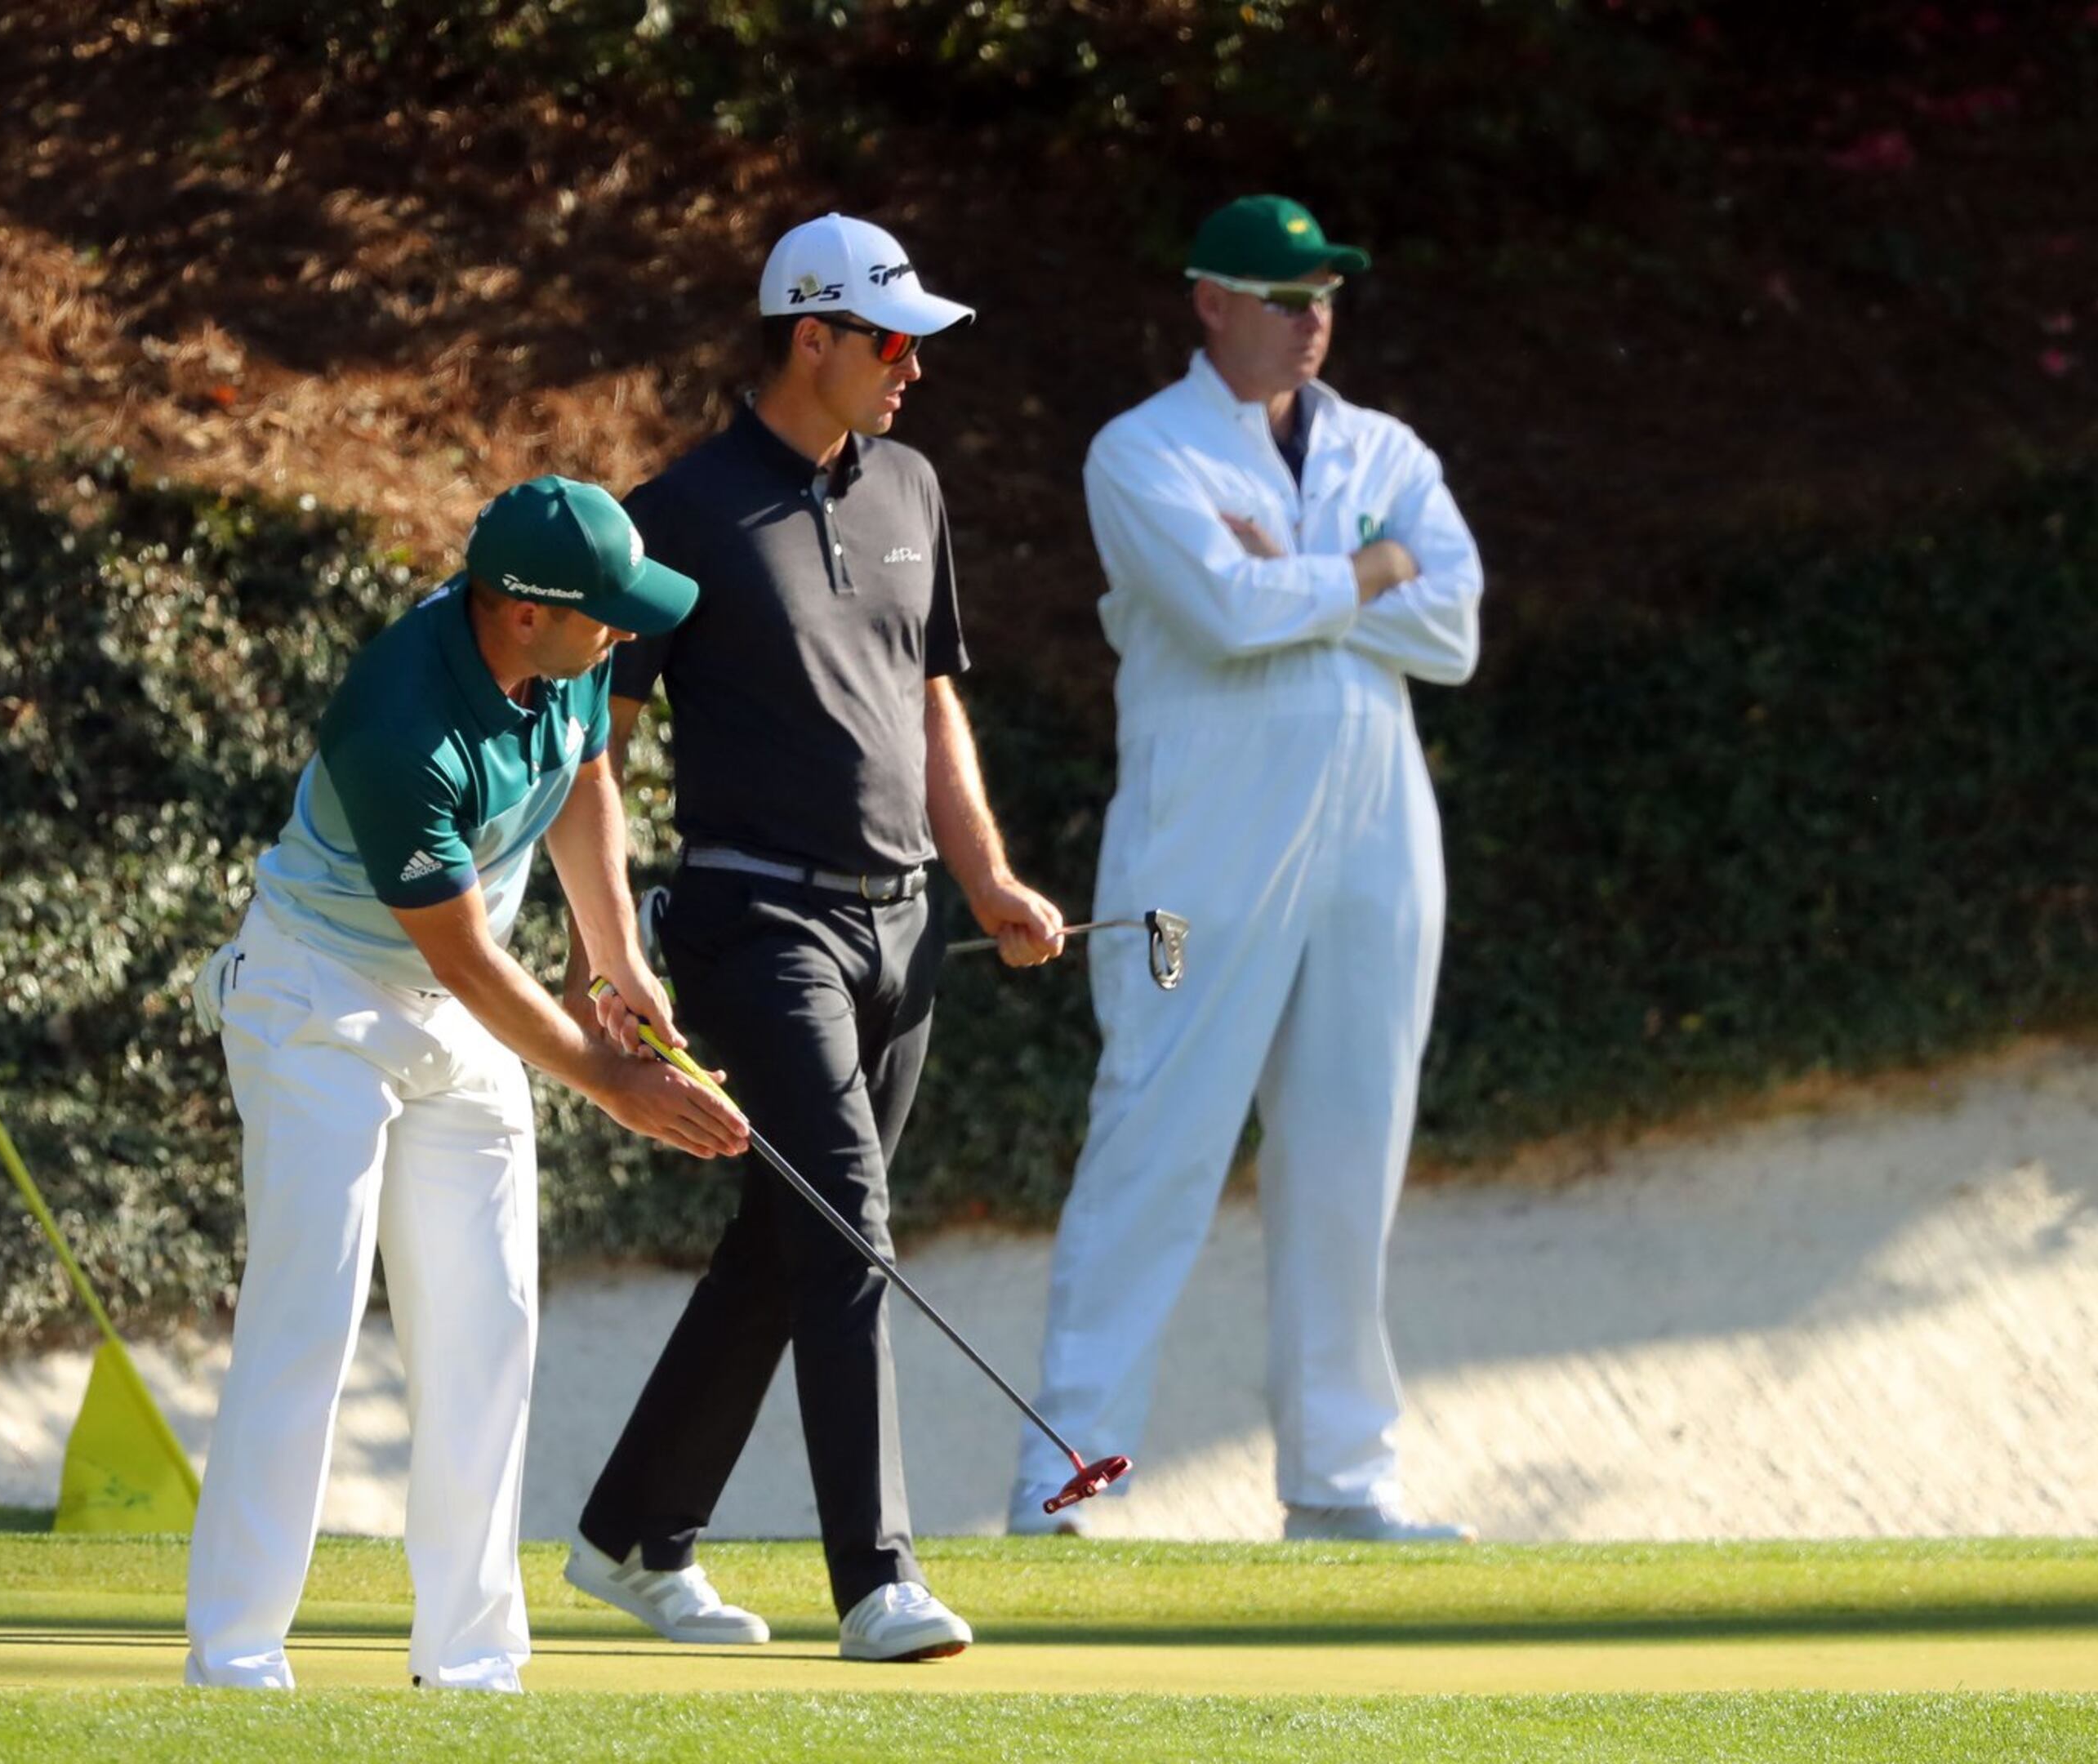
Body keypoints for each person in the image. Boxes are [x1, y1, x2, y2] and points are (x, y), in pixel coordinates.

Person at [562, 214, 1066, 1664]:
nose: (914, 369)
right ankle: (880, 1579)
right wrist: (610, 945)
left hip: (904, 924)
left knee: (786, 1247)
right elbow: (596, 741)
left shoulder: (911, 482)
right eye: (893, 342)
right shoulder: (684, 514)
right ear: (812, 338)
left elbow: (931, 698)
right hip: (755, 915)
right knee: (847, 1221)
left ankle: (633, 1539)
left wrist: (988, 876)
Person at [182, 476, 749, 1695]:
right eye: (605, 615)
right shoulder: (399, 723)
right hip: (319, 1003)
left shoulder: (575, 652)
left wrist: (615, 962)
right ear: (524, 612)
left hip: (464, 1015)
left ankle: (474, 1664)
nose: (625, 633)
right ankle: (236, 1660)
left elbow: (586, 785)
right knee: (308, 1323)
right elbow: (467, 957)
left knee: (489, 1330)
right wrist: (613, 1083)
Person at [1011, 194, 1486, 1544]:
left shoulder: (1385, 446)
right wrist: (1368, 576)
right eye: (1283, 297)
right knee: (1155, 1141)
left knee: (1350, 1159)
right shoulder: (1141, 451)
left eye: (1325, 292)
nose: (1311, 318)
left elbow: (1451, 627)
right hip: (1201, 837)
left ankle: (1340, 1484)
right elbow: (1222, 615)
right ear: (1209, 301)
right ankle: (1064, 1483)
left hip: (1376, 827)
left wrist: (1325, 576)